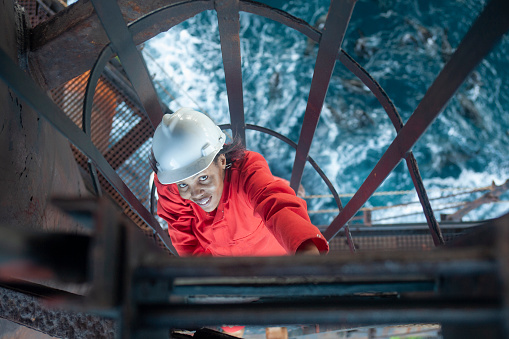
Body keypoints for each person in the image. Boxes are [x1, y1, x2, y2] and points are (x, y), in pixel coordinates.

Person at [150, 107, 329, 257]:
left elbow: (275, 204)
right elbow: (184, 238)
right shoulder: (171, 183)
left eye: (203, 178)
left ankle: (284, 185)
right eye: (183, 184)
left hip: (277, 263)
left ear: (221, 161)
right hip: (230, 275)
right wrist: (208, 277)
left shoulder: (247, 170)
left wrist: (307, 252)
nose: (195, 193)